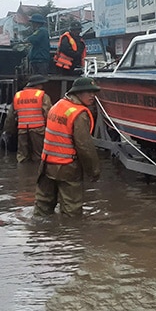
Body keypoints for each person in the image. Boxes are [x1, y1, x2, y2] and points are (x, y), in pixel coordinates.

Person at [33, 77, 101, 217]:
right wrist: (93, 171)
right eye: (88, 92)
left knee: (42, 207)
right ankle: (70, 237)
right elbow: (85, 147)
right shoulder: (79, 114)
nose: (92, 96)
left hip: (46, 165)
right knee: (72, 212)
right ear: (78, 93)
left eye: (94, 92)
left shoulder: (58, 105)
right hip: (68, 168)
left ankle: (39, 235)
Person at [3, 74, 52, 164]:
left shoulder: (18, 96)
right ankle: (34, 175)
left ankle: (22, 175)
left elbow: (11, 116)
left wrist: (8, 130)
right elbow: (48, 113)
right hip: (38, 130)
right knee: (39, 156)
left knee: (22, 157)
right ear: (37, 85)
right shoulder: (42, 95)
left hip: (22, 131)